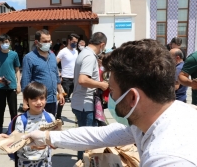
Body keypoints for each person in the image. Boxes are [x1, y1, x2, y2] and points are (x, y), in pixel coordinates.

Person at [24, 39, 197, 166]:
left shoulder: (168, 158)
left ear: (132, 98)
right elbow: (101, 135)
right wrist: (46, 137)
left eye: (112, 91)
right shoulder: (158, 118)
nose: (110, 98)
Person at [70, 32, 109, 159]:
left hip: (82, 103)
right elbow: (83, 80)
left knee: (84, 139)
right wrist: (101, 85)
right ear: (102, 44)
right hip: (85, 105)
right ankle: (84, 162)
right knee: (88, 141)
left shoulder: (84, 53)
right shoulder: (89, 57)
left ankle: (82, 161)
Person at [21, 29, 65, 116]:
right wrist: (25, 101)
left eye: (49, 41)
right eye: (45, 41)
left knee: (50, 124)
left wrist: (60, 92)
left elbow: (56, 75)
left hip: (52, 99)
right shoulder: (29, 58)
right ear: (37, 42)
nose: (48, 43)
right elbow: (25, 81)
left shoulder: (52, 55)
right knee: (37, 126)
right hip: (38, 101)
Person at [15, 82, 54, 167]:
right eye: (34, 99)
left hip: (44, 161)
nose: (39, 102)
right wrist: (31, 147)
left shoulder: (50, 118)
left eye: (42, 98)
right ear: (26, 100)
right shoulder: (21, 119)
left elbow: (54, 138)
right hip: (25, 161)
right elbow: (17, 143)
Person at [0, 34, 21, 134]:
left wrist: (18, 84)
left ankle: (14, 129)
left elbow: (17, 70)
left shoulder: (14, 54)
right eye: (2, 42)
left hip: (11, 85)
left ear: (10, 42)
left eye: (7, 42)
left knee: (13, 109)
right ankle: (0, 127)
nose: (5, 44)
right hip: (0, 86)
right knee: (1, 108)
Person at [56, 33, 80, 122]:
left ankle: (78, 116)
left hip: (75, 78)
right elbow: (54, 62)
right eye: (74, 41)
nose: (75, 43)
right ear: (69, 41)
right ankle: (58, 117)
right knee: (63, 99)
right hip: (66, 79)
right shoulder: (63, 51)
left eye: (76, 42)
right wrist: (58, 73)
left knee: (77, 99)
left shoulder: (76, 51)